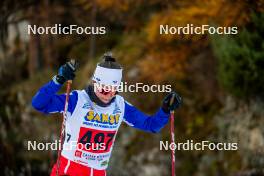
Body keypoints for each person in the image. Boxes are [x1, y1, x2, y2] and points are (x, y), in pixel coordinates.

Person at [31, 53, 182, 176]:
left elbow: (151, 125)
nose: (106, 94)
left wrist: (165, 110)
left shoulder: (120, 106)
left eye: (112, 90)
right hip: (68, 171)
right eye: (103, 88)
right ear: (95, 83)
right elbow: (39, 104)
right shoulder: (76, 100)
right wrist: (58, 80)